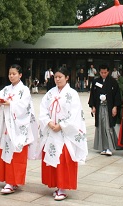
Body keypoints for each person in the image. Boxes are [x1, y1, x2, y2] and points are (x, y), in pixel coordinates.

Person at [38, 66, 88, 201]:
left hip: (65, 133)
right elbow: (43, 109)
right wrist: (48, 122)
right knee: (52, 156)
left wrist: (61, 125)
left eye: (60, 77)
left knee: (64, 159)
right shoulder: (50, 93)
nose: (57, 79)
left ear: (67, 78)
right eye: (55, 77)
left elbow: (75, 114)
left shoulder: (72, 94)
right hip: (51, 130)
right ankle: (56, 185)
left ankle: (63, 187)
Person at [0, 64, 38, 194]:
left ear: (20, 75)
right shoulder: (6, 89)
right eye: (10, 73)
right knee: (5, 150)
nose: (11, 76)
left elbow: (24, 107)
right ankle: (8, 180)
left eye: (14, 74)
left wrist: (10, 104)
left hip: (17, 126)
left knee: (16, 154)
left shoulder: (24, 90)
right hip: (6, 126)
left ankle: (13, 181)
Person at [88, 65, 121, 156]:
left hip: (108, 106)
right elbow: (93, 95)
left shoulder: (113, 82)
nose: (103, 74)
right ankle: (102, 147)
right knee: (100, 126)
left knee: (108, 125)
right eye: (102, 73)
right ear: (99, 72)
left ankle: (109, 147)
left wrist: (115, 107)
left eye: (105, 73)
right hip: (99, 106)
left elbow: (117, 95)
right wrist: (93, 106)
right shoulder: (95, 81)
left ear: (108, 72)